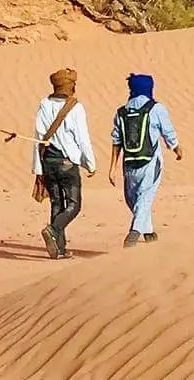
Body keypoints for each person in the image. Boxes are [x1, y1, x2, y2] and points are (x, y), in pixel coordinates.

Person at [108, 73, 183, 247]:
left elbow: (116, 140)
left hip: (129, 163)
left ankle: (148, 232)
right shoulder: (157, 109)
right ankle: (134, 233)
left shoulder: (121, 112)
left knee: (134, 198)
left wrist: (112, 168)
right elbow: (168, 132)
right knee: (144, 197)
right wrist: (176, 148)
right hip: (151, 161)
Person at [32, 67, 97, 259]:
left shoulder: (44, 104)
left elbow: (39, 136)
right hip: (67, 162)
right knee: (74, 205)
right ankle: (53, 230)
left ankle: (58, 249)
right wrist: (90, 164)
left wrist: (38, 166)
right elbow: (82, 138)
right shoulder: (75, 107)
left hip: (48, 161)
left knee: (56, 203)